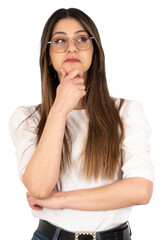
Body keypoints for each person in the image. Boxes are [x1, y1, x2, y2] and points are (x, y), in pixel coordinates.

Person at [9, 8, 154, 240]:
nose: (71, 47)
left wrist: (60, 199)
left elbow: (141, 190)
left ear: (94, 50)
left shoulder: (126, 112)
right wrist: (59, 110)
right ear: (47, 55)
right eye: (59, 40)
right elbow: (38, 187)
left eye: (82, 39)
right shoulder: (27, 118)